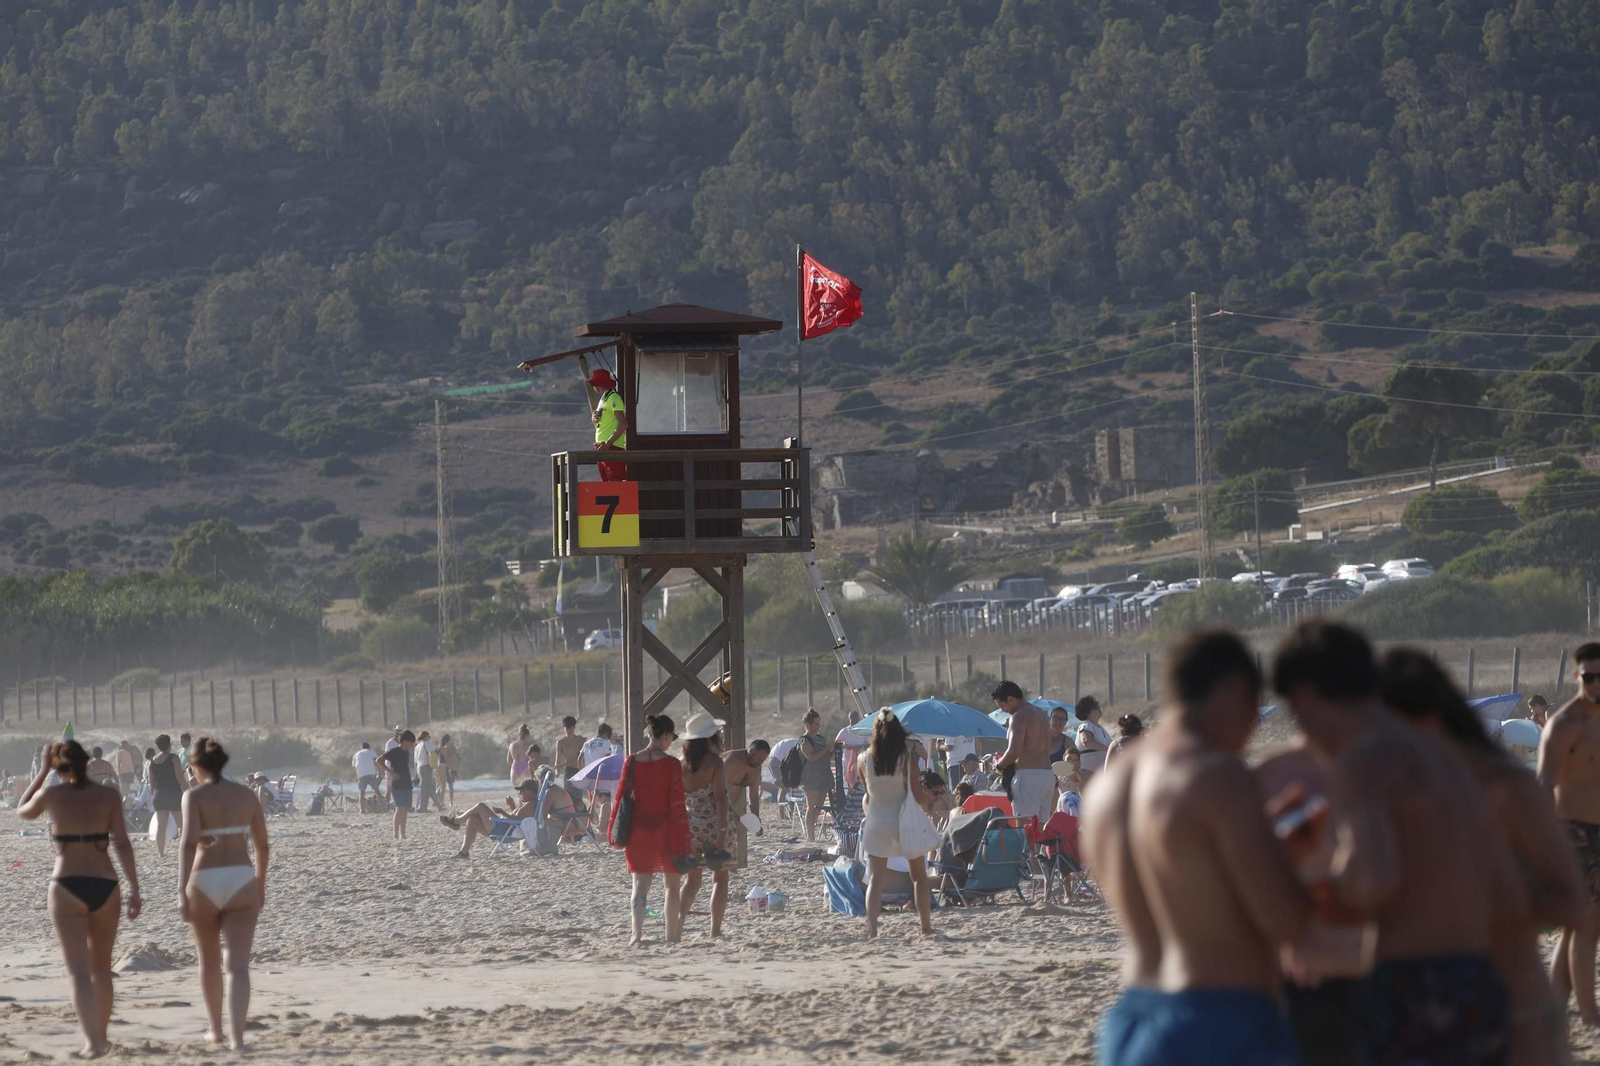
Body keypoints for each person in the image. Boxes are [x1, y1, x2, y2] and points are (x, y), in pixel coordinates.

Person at [1276, 620, 1515, 1064]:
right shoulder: (1454, 757)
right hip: (1476, 975)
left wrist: (1310, 875)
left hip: (1407, 979)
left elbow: (1373, 880)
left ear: (1307, 695)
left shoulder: (1363, 761)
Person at [1086, 629, 1312, 1066]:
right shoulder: (1217, 775)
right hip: (1218, 1017)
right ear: (1234, 691)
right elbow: (1286, 920)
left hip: (1130, 1019)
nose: (1252, 728)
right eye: (1254, 711)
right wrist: (1296, 853)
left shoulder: (1106, 791)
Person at [1382, 648, 1583, 1066]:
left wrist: (1497, 901)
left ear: (1430, 721)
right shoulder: (1389, 790)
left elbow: (1571, 905)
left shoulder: (1507, 790)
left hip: (1509, 1005)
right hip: (1414, 1007)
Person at [18, 740, 142, 1060]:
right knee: (101, 969)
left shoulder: (52, 795)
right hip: (105, 882)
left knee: (78, 972)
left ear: (58, 768)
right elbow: (123, 844)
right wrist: (135, 888)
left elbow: (23, 810)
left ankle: (92, 1043)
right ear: (87, 762)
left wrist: (42, 770)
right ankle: (101, 1035)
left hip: (66, 883)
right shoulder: (109, 795)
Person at [178, 738, 269, 1052]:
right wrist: (260, 882)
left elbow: (188, 843)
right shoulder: (247, 795)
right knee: (239, 965)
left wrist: (181, 889)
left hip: (203, 879)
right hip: (241, 876)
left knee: (209, 961)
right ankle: (238, 1039)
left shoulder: (194, 796)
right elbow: (262, 845)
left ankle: (215, 1030)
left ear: (197, 766)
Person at [1538, 640, 1600, 1026]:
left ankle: (1554, 1009)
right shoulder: (1565, 724)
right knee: (1587, 925)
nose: (1597, 683)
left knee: (1580, 925)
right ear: (1578, 676)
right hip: (1572, 830)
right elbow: (1543, 784)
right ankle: (1592, 1018)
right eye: (1590, 676)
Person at [611, 714, 692, 946]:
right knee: (672, 885)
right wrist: (683, 834)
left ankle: (636, 934)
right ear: (666, 735)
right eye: (671, 738)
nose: (671, 743)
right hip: (665, 827)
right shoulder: (671, 764)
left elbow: (622, 796)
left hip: (638, 828)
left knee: (639, 885)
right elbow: (676, 801)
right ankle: (671, 935)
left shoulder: (631, 761)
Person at [858, 709, 934, 939]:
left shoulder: (863, 759)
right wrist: (927, 805)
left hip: (877, 820)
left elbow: (868, 794)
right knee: (919, 877)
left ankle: (872, 930)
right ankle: (925, 927)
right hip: (903, 821)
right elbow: (916, 792)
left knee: (875, 880)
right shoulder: (906, 758)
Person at [678, 712, 732, 938]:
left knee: (692, 880)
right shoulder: (715, 763)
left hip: (691, 826)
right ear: (710, 737)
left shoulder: (681, 764)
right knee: (719, 878)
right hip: (713, 825)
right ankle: (715, 930)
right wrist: (721, 831)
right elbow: (720, 798)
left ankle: (677, 925)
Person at [992, 681, 1054, 827]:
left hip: (1028, 777)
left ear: (1010, 699)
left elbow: (1014, 751)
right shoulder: (1042, 714)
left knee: (1025, 828)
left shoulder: (1019, 716)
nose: (1003, 710)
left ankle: (1029, 851)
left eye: (1002, 706)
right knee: (1042, 829)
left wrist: (998, 766)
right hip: (1047, 775)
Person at [440, 780, 539, 858]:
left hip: (504, 830)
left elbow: (516, 819)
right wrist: (512, 805)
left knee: (480, 806)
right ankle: (463, 852)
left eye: (523, 790)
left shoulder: (530, 805)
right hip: (504, 828)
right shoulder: (528, 804)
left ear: (531, 791)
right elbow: (518, 819)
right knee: (471, 819)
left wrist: (502, 812)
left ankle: (456, 821)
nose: (520, 792)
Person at [796, 709, 835, 843]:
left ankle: (811, 834)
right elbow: (811, 757)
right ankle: (810, 837)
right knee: (811, 807)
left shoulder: (819, 739)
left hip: (823, 776)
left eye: (819, 724)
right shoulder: (804, 741)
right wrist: (826, 748)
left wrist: (833, 750)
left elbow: (826, 757)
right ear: (808, 724)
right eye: (816, 724)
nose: (818, 727)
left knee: (819, 808)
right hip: (811, 777)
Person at [723, 740, 770, 850]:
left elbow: (753, 796)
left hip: (728, 809)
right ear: (751, 751)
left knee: (734, 839)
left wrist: (756, 821)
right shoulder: (731, 760)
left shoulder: (756, 768)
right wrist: (731, 813)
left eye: (763, 761)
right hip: (714, 805)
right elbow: (713, 788)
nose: (760, 763)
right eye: (758, 759)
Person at [148, 734, 187, 858]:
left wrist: (153, 795)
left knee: (161, 826)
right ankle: (183, 850)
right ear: (169, 745)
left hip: (159, 794)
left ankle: (161, 853)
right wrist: (188, 789)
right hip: (173, 793)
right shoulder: (174, 758)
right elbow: (179, 777)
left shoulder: (151, 762)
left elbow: (151, 783)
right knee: (181, 824)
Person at [588, 367, 629, 482]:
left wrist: (608, 443)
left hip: (611, 447)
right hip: (604, 447)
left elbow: (623, 424)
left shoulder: (613, 397)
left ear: (598, 384)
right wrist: (594, 419)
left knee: (614, 482)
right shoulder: (604, 398)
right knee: (607, 483)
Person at [379, 731, 417, 840]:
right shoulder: (394, 751)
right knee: (399, 808)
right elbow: (379, 760)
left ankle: (403, 834)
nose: (411, 746)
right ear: (405, 741)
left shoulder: (406, 753)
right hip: (396, 783)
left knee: (405, 809)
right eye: (411, 743)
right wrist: (390, 772)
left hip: (407, 783)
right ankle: (395, 834)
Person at [583, 723, 620, 827]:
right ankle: (602, 825)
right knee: (605, 802)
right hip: (602, 777)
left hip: (589, 776)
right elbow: (609, 760)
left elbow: (579, 759)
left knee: (592, 801)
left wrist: (583, 771)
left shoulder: (587, 743)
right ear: (606, 733)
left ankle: (588, 825)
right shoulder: (605, 743)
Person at [1074, 696, 1112, 784]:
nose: (1099, 708)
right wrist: (1108, 749)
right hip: (1089, 773)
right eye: (1095, 706)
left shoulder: (1100, 727)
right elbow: (1086, 741)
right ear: (1088, 712)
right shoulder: (1086, 725)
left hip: (1101, 773)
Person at [836, 710, 869, 789]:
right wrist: (845, 746)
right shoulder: (844, 731)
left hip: (862, 764)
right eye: (852, 720)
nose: (854, 722)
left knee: (863, 787)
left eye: (856, 720)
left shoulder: (864, 731)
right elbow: (836, 744)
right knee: (851, 787)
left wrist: (860, 747)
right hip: (848, 765)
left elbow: (870, 745)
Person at [414, 730, 439, 813]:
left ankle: (438, 805)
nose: (429, 738)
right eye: (428, 737)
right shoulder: (427, 744)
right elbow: (436, 750)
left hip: (419, 767)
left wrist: (415, 774)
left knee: (427, 787)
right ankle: (422, 808)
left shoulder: (417, 746)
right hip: (426, 767)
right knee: (424, 789)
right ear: (425, 737)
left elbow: (415, 761)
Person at [556, 716, 585, 781]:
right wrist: (557, 772)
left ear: (574, 727)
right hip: (568, 771)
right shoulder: (560, 742)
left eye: (570, 728)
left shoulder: (580, 740)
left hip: (579, 770)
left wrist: (562, 765)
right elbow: (558, 760)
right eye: (566, 728)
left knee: (579, 791)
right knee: (567, 791)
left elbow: (579, 759)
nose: (568, 730)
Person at [352, 742, 379, 809]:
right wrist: (379, 772)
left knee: (361, 793)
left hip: (361, 774)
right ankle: (382, 807)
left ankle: (362, 809)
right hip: (371, 773)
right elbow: (377, 761)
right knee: (377, 791)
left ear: (361, 748)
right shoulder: (371, 752)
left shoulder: (356, 754)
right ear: (369, 747)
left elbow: (354, 766)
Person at [507, 725, 532, 792]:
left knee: (518, 791)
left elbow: (509, 761)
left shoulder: (512, 745)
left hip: (515, 767)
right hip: (526, 766)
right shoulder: (529, 745)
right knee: (527, 791)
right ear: (527, 735)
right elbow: (533, 758)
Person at [435, 734, 456, 809]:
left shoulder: (439, 747)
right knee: (446, 786)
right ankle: (444, 802)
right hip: (444, 767)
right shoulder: (444, 748)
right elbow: (447, 759)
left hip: (438, 767)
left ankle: (439, 801)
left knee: (441, 786)